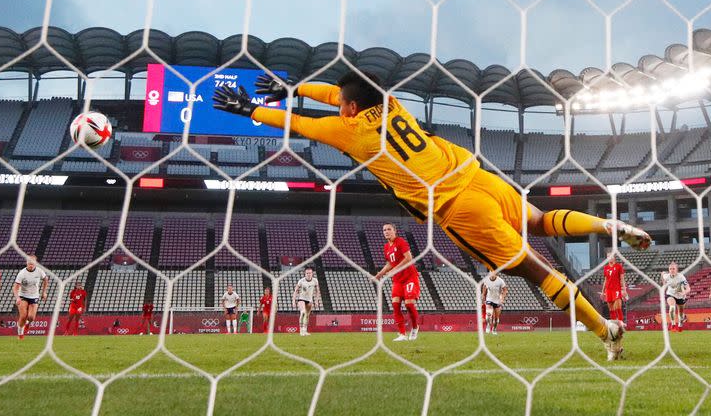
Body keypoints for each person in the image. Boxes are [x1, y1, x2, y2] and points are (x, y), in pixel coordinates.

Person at [213, 71, 654, 360]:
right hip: (471, 170)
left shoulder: (348, 131)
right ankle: (604, 225)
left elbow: (299, 125)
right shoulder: (390, 104)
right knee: (539, 221)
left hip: (455, 204)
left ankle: (605, 332)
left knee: (534, 270)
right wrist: (295, 88)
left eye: (341, 105)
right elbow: (336, 94)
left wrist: (249, 109)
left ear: (347, 110)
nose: (337, 107)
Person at [374, 223, 420, 341]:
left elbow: (409, 258)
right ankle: (402, 334)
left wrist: (394, 270)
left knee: (409, 304)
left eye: (389, 229)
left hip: (409, 277)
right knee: (395, 305)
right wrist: (380, 274)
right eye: (384, 230)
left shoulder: (401, 242)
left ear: (395, 231)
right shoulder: (386, 247)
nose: (386, 231)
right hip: (397, 280)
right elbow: (389, 263)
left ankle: (415, 328)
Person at [12, 256, 49, 340]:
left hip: (34, 296)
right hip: (23, 296)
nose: (31, 265)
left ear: (35, 263)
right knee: (23, 316)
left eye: (32, 263)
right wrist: (17, 297)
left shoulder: (40, 271)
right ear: (26, 263)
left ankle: (28, 323)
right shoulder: (22, 273)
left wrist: (44, 292)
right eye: (29, 263)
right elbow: (15, 287)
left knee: (31, 317)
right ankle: (20, 334)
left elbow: (46, 280)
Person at [292, 267, 321, 336]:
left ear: (312, 273)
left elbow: (317, 291)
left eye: (310, 273)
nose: (308, 274)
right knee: (303, 312)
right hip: (301, 299)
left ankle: (305, 330)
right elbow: (295, 291)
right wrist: (293, 300)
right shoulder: (301, 281)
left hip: (309, 300)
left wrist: (316, 300)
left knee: (307, 315)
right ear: (305, 274)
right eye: (307, 273)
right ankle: (301, 330)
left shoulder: (315, 281)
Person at [662, 262, 690, 332]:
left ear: (677, 270)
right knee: (672, 307)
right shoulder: (667, 276)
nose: (672, 270)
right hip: (670, 294)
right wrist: (664, 283)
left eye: (673, 269)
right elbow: (662, 274)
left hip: (681, 296)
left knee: (681, 313)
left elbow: (688, 288)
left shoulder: (681, 277)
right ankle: (673, 325)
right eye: (670, 269)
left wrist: (684, 292)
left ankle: (680, 325)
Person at [601, 251, 628, 325]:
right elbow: (605, 280)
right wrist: (603, 292)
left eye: (611, 256)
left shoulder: (619, 266)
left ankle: (621, 324)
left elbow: (622, 279)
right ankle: (614, 325)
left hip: (616, 289)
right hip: (608, 290)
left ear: (614, 258)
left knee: (618, 307)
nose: (609, 258)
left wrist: (624, 290)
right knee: (611, 309)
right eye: (608, 257)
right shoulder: (606, 268)